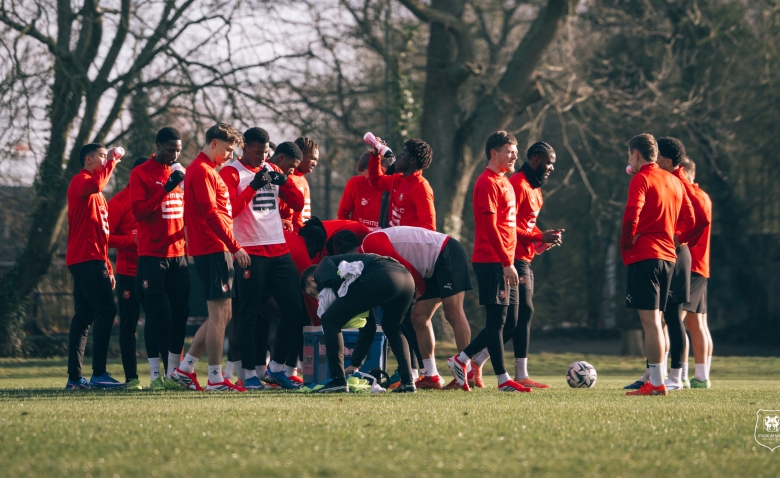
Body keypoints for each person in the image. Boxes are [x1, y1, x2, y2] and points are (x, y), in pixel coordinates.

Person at [465, 142, 564, 389]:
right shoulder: (515, 183)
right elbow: (508, 227)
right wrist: (538, 238)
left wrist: (542, 239)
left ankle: (476, 361)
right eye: (548, 161)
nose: (551, 167)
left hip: (522, 257)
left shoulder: (536, 188)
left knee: (518, 316)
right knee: (511, 317)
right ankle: (500, 370)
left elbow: (525, 227)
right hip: (510, 258)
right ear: (535, 159)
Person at [447, 131, 535, 393]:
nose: (515, 155)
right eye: (510, 151)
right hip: (492, 261)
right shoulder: (486, 183)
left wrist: (535, 241)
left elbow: (510, 228)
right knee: (496, 322)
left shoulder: (506, 182)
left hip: (507, 261)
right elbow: (489, 228)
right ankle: (503, 379)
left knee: (512, 322)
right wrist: (506, 262)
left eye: (516, 151)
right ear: (493, 153)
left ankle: (460, 359)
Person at [219, 132, 306, 390]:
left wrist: (285, 180)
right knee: (248, 315)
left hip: (279, 251)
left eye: (266, 152)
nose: (262, 158)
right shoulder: (231, 173)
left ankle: (276, 369)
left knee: (294, 310)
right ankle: (249, 375)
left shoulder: (272, 167)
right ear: (245, 148)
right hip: (250, 253)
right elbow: (229, 211)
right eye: (258, 152)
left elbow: (298, 204)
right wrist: (254, 186)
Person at [169, 123, 250, 392]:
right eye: (228, 149)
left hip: (217, 248)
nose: (230, 156)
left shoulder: (207, 171)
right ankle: (215, 378)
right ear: (214, 143)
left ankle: (185, 368)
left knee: (223, 314)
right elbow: (211, 215)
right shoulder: (202, 171)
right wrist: (234, 245)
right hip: (213, 248)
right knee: (218, 315)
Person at [624, 137, 708, 391]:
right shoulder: (673, 180)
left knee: (651, 323)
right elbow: (691, 218)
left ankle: (657, 382)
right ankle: (664, 379)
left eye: (629, 156)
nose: (629, 161)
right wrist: (676, 236)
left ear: (636, 154)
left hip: (646, 255)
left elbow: (632, 213)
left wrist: (627, 242)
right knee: (663, 320)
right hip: (670, 257)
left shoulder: (641, 179)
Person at [358, 226, 473, 390]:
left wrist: (419, 288)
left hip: (446, 252)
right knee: (419, 317)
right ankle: (431, 375)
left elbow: (404, 267)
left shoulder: (369, 244)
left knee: (453, 313)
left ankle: (467, 371)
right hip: (430, 267)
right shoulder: (368, 252)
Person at [300, 253, 417, 393]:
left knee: (329, 319)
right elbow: (369, 326)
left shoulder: (321, 269)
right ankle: (408, 381)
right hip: (406, 278)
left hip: (381, 275)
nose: (317, 298)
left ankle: (338, 381)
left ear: (311, 279)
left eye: (312, 293)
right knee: (392, 328)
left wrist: (337, 310)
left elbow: (339, 286)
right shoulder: (354, 277)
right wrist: (355, 364)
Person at [129, 127, 191, 390]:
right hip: (153, 256)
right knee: (155, 316)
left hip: (179, 254)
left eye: (177, 150)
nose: (174, 154)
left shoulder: (180, 173)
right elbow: (140, 212)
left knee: (181, 314)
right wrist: (165, 188)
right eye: (169, 149)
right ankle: (155, 375)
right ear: (157, 146)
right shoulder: (141, 173)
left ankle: (173, 373)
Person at [65, 143, 125, 389]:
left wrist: (108, 267)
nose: (105, 159)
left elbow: (102, 234)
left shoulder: (99, 195)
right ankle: (99, 373)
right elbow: (97, 184)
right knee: (107, 310)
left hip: (93, 258)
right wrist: (112, 160)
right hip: (85, 258)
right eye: (101, 156)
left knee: (84, 317)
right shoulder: (81, 181)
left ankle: (74, 379)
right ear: (88, 159)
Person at [107, 157, 147, 390]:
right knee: (128, 326)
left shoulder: (158, 199)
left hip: (155, 270)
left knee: (164, 322)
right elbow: (105, 237)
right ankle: (132, 378)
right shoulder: (118, 202)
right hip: (128, 273)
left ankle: (168, 374)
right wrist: (130, 240)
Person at [681, 158, 714, 388]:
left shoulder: (693, 196)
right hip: (701, 266)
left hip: (690, 266)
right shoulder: (703, 195)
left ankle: (680, 373)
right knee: (696, 323)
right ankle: (702, 376)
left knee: (675, 321)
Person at [367, 138, 435, 230]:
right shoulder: (397, 179)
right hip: (392, 239)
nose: (398, 156)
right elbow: (376, 180)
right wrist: (375, 155)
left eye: (403, 154)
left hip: (408, 243)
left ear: (412, 160)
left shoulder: (421, 187)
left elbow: (429, 228)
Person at [337, 145, 393, 230]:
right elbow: (342, 215)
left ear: (382, 170)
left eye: (370, 178)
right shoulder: (355, 183)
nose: (369, 182)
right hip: (357, 239)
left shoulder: (394, 187)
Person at [278, 137, 318, 232]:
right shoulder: (288, 179)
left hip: (303, 234)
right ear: (300, 154)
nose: (315, 163)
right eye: (312, 158)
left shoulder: (303, 178)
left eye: (316, 160)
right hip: (291, 235)